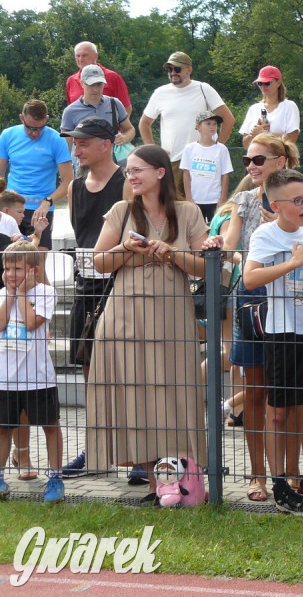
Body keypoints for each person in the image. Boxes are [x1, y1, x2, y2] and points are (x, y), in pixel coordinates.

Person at [86, 145, 209, 500]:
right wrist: (126, 249)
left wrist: (173, 254)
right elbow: (99, 262)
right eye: (128, 171)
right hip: (124, 317)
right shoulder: (121, 211)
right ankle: (155, 483)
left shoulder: (187, 212)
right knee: (136, 395)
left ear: (160, 172)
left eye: (138, 169)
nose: (132, 176)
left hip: (172, 318)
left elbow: (205, 267)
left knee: (172, 393)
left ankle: (177, 480)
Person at [208, 134, 301, 503]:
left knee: (291, 395)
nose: (251, 166)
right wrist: (221, 247)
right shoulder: (244, 199)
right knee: (256, 392)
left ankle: (292, 472)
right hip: (251, 300)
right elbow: (232, 247)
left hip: (292, 301)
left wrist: (280, 225)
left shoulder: (298, 197)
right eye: (247, 159)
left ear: (281, 160)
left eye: (259, 159)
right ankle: (257, 475)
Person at [243, 168, 303, 516]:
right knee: (280, 412)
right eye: (297, 200)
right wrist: (294, 262)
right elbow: (251, 278)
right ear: (276, 205)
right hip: (282, 333)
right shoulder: (265, 235)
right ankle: (280, 482)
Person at [57, 117, 129, 478]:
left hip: (122, 289)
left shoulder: (127, 183)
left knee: (130, 376)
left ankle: (138, 456)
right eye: (74, 142)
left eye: (83, 142)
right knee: (91, 375)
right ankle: (97, 451)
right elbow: (83, 234)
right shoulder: (74, 187)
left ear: (106, 143)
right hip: (86, 291)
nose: (76, 148)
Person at [0, 241, 63, 502]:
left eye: (17, 268)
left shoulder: (46, 293)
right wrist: (12, 295)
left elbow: (31, 323)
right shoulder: (3, 294)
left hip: (38, 378)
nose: (11, 274)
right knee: (3, 428)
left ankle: (56, 478)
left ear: (34, 270)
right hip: (6, 379)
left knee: (50, 425)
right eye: (7, 268)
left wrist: (23, 295)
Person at [139, 52, 235, 198]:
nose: (173, 73)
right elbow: (144, 123)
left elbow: (228, 119)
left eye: (177, 69)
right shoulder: (160, 93)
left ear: (189, 70)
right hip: (174, 161)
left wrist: (216, 147)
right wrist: (154, 151)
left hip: (202, 160)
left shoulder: (203, 89)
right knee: (174, 206)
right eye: (169, 69)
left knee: (203, 205)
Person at [0, 99, 73, 251]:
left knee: (37, 263)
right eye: (30, 127)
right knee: (10, 261)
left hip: (41, 208)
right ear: (22, 118)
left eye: (40, 128)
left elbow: (68, 181)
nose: (34, 133)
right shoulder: (8, 135)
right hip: (11, 207)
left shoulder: (56, 139)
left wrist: (48, 202)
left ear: (46, 119)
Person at [60, 64, 134, 169]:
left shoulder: (114, 103)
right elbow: (65, 146)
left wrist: (124, 138)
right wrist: (66, 168)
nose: (95, 89)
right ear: (82, 84)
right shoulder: (70, 111)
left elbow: (130, 129)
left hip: (112, 162)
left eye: (99, 84)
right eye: (91, 84)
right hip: (85, 164)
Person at [180, 111, 233, 222]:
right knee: (196, 231)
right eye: (208, 124)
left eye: (214, 124)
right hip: (195, 200)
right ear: (198, 126)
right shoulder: (189, 149)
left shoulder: (221, 149)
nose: (212, 127)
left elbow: (225, 175)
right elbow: (186, 174)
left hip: (214, 199)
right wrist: (189, 198)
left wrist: (222, 199)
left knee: (214, 231)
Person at [240, 66, 301, 149]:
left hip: (279, 158)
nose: (263, 86)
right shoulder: (253, 109)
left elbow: (291, 139)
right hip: (258, 159)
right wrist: (252, 135)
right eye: (260, 83)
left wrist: (266, 135)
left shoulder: (289, 106)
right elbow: (246, 145)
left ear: (278, 83)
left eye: (267, 83)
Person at [65, 41, 131, 115]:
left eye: (85, 55)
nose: (80, 59)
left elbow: (126, 108)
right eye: (78, 56)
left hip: (108, 125)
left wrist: (117, 125)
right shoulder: (71, 81)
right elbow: (71, 111)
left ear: (96, 56)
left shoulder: (112, 77)